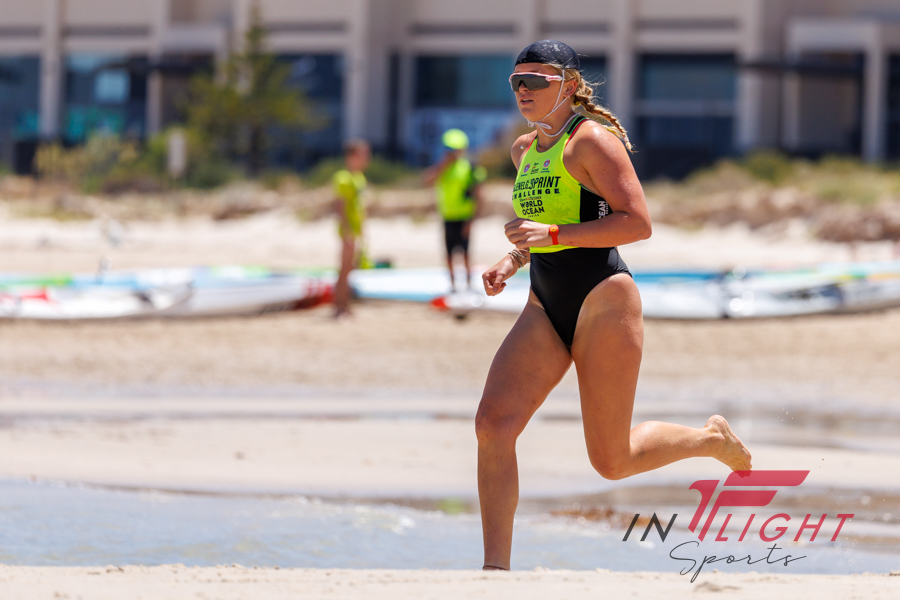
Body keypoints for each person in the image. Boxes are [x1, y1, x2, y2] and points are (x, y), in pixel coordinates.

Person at [476, 40, 752, 571]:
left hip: (603, 298)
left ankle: (709, 440)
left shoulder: (592, 143)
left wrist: (553, 234)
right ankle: (495, 573)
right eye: (516, 81)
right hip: (544, 301)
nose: (523, 90)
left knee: (612, 461)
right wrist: (512, 259)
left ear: (569, 85)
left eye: (536, 81)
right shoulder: (523, 150)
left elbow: (637, 223)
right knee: (493, 425)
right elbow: (546, 223)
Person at [424, 129, 486, 292]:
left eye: (454, 150)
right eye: (448, 150)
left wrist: (472, 220)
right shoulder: (442, 167)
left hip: (465, 217)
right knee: (449, 253)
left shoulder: (470, 167)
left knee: (466, 253)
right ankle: (452, 286)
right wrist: (443, 165)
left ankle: (468, 284)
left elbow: (479, 195)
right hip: (447, 217)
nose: (451, 153)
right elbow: (427, 180)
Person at [332, 139, 370, 317]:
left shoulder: (359, 177)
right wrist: (347, 230)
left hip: (355, 229)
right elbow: (340, 206)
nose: (366, 158)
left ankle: (346, 306)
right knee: (344, 268)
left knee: (350, 268)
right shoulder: (344, 178)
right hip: (348, 230)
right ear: (352, 156)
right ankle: (339, 307)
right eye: (363, 154)